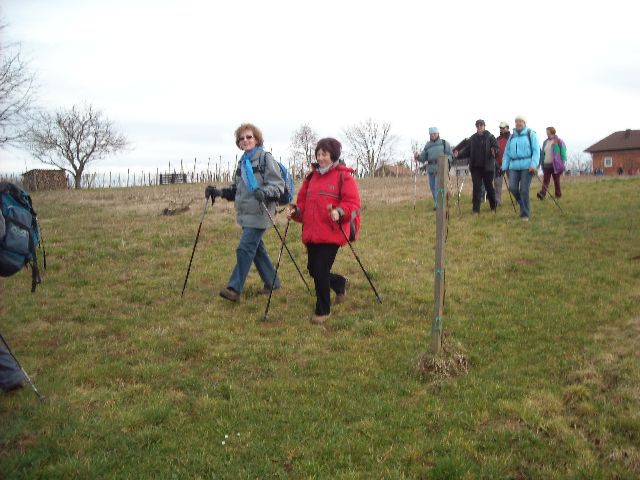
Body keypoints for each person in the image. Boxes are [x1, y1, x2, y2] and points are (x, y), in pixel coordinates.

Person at [205, 123, 284, 302]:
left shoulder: (265, 158)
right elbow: (237, 190)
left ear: (256, 139)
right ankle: (273, 283)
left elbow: (277, 186)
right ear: (238, 143)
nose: (245, 140)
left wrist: (264, 192)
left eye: (249, 137)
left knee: (245, 248)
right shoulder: (243, 161)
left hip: (261, 212)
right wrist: (218, 192)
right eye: (242, 138)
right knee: (256, 250)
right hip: (246, 213)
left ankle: (234, 289)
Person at [287, 138, 360, 324]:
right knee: (313, 269)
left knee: (320, 269)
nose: (320, 157)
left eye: (324, 154)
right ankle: (339, 283)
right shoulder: (311, 178)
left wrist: (339, 212)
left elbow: (353, 204)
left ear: (333, 155)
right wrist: (296, 211)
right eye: (318, 154)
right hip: (311, 233)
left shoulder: (344, 177)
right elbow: (303, 204)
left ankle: (323, 310)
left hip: (332, 233)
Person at [453, 119, 499, 213]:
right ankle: (475, 210)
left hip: (488, 167)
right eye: (477, 126)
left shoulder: (490, 137)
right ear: (476, 127)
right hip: (476, 167)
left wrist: (494, 151)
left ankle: (493, 207)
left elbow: (496, 148)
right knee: (476, 188)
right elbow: (467, 151)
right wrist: (459, 155)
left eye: (481, 125)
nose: (479, 127)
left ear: (484, 126)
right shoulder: (472, 138)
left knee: (489, 187)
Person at [502, 115, 540, 221]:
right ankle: (523, 204)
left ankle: (525, 214)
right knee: (513, 188)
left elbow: (536, 151)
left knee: (524, 190)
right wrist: (504, 166)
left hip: (527, 166)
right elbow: (507, 153)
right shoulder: (512, 137)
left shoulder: (531, 134)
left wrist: (533, 165)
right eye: (516, 121)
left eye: (520, 121)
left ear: (524, 123)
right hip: (513, 166)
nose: (518, 123)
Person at [414, 127, 453, 210]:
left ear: (438, 134)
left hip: (441, 168)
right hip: (431, 169)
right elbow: (423, 157)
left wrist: (446, 160)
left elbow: (450, 155)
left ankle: (438, 205)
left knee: (438, 186)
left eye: (434, 134)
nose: (433, 135)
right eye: (431, 134)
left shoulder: (444, 143)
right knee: (432, 187)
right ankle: (439, 202)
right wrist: (418, 157)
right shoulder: (428, 145)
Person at [537, 126, 567, 201]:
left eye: (548, 131)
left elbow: (563, 152)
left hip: (555, 165)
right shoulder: (545, 142)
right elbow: (542, 153)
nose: (547, 132)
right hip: (546, 164)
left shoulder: (559, 141)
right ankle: (542, 194)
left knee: (556, 180)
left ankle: (558, 195)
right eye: (546, 131)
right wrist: (541, 163)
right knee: (545, 180)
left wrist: (563, 162)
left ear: (552, 131)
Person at [495, 121, 510, 206]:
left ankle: (518, 199)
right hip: (498, 164)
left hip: (510, 164)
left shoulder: (511, 138)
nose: (502, 129)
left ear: (507, 128)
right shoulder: (497, 139)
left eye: (503, 128)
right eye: (500, 128)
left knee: (513, 184)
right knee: (497, 183)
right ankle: (497, 201)